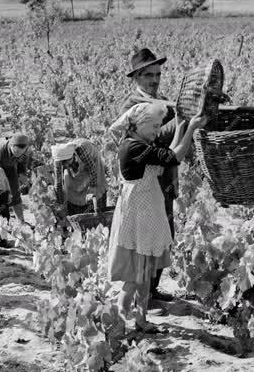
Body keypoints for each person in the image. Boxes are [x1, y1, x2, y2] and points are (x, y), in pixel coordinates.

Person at [108, 102, 205, 333]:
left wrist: (181, 127)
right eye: (153, 127)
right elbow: (175, 157)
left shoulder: (138, 144)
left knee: (143, 276)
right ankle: (119, 323)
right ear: (139, 125)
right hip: (139, 216)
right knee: (133, 279)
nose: (155, 131)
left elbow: (167, 155)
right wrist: (191, 129)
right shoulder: (134, 148)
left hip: (146, 212)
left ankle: (140, 320)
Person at [110, 47, 178, 303]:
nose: (154, 79)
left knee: (163, 235)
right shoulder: (132, 106)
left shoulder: (165, 104)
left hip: (165, 179)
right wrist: (183, 120)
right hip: (143, 186)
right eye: (148, 75)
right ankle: (142, 296)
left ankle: (151, 290)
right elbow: (154, 138)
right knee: (143, 239)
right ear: (136, 77)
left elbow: (176, 138)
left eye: (158, 74)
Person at [51, 139, 107, 216]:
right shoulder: (58, 158)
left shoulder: (81, 150)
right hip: (78, 163)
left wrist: (92, 189)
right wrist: (60, 203)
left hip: (92, 162)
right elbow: (58, 182)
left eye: (66, 162)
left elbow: (92, 169)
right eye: (62, 163)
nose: (65, 165)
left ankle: (95, 213)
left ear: (73, 155)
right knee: (70, 187)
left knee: (96, 190)